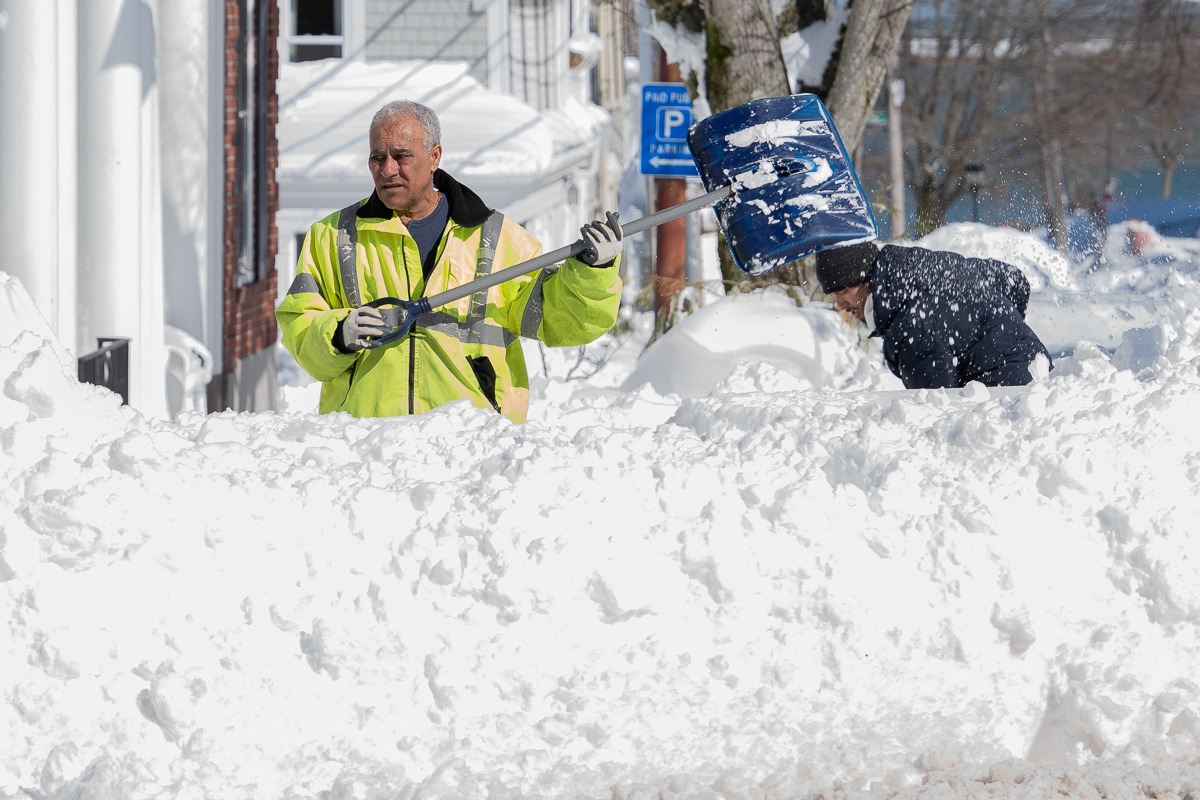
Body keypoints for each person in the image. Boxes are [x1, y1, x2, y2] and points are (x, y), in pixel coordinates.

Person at [277, 100, 624, 423]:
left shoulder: (498, 238)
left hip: (468, 438)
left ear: (434, 156)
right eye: (377, 158)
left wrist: (594, 272)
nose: (388, 169)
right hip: (367, 438)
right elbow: (300, 328)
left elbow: (562, 323)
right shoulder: (334, 237)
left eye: (401, 156)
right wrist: (339, 334)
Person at [815, 241, 1052, 390]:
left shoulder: (911, 327)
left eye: (843, 292)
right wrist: (1003, 328)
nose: (840, 305)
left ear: (868, 280)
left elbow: (936, 411)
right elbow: (1010, 279)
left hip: (1006, 393)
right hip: (1039, 371)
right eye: (834, 295)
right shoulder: (926, 269)